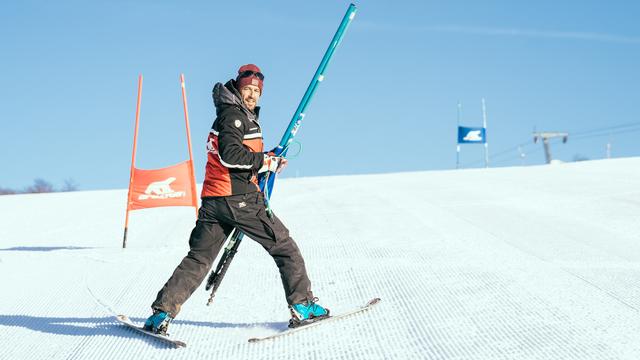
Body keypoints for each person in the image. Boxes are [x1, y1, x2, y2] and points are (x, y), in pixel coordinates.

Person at [143, 64, 329, 335]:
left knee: (198, 258)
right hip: (238, 199)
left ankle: (161, 314)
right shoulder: (234, 116)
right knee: (285, 247)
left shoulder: (235, 114)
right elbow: (231, 154)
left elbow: (240, 153)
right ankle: (302, 306)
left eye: (257, 91)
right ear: (238, 89)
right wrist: (264, 161)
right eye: (248, 89)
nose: (252, 95)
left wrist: (269, 157)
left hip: (214, 200)